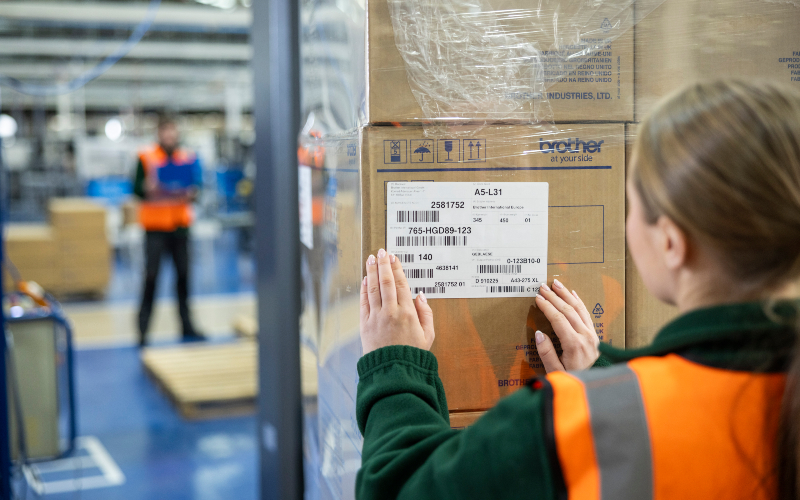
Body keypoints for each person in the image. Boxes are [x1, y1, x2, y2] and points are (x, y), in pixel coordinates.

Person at [355, 80, 800, 499]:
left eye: (632, 204)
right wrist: (604, 372)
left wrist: (395, 366)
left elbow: (400, 489)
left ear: (670, 243)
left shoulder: (578, 419)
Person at [133, 115, 204, 346]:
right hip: (155, 229)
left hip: (180, 228)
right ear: (159, 133)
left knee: (183, 277)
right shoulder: (146, 157)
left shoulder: (188, 157)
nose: (170, 136)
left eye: (173, 131)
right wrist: (148, 188)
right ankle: (143, 331)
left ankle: (187, 327)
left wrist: (193, 192)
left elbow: (198, 186)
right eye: (166, 131)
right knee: (151, 278)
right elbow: (135, 189)